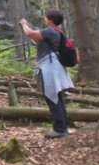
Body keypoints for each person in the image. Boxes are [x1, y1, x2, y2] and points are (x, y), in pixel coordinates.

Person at [19, 10, 74, 139]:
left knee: (52, 97)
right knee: (57, 97)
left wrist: (23, 24)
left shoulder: (50, 31)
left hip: (50, 68)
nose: (44, 18)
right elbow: (36, 38)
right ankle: (63, 127)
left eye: (46, 17)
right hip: (53, 66)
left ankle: (59, 129)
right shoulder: (56, 32)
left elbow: (30, 33)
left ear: (50, 20)